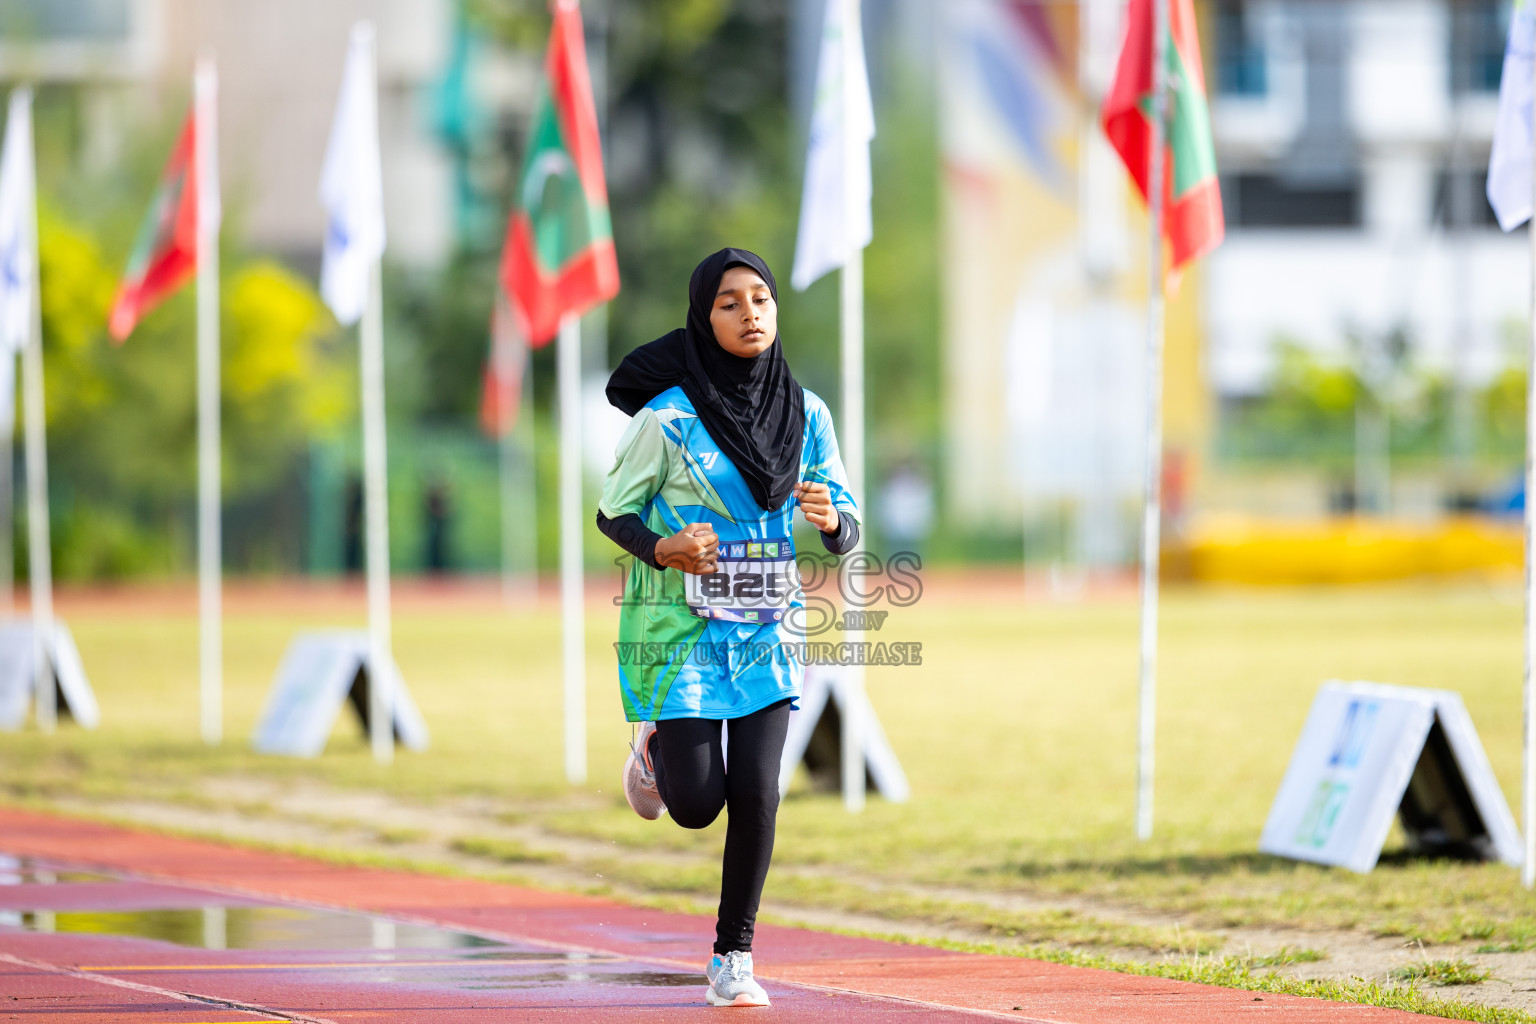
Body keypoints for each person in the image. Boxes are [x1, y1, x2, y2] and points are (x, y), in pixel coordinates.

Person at [596, 247, 859, 1008]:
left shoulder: (808, 415)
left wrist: (834, 520)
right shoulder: (669, 418)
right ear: (702, 319)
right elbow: (614, 509)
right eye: (729, 303)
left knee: (759, 789)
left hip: (768, 628)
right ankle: (653, 747)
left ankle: (732, 958)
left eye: (761, 300)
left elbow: (846, 520)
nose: (749, 314)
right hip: (682, 630)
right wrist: (662, 547)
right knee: (697, 805)